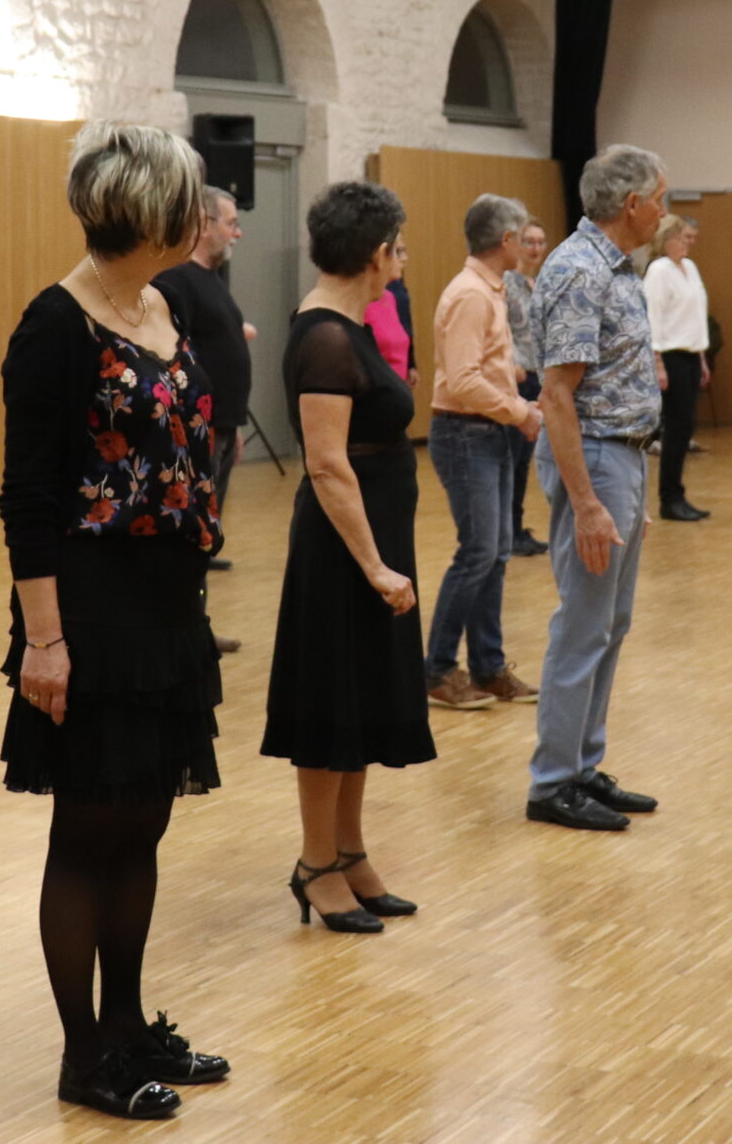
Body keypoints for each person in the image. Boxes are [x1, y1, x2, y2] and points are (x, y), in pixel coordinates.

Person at [0, 122, 229, 1121]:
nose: (201, 215)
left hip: (165, 605)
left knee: (143, 821)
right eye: (189, 201)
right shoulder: (56, 324)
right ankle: (83, 1054)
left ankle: (130, 1027)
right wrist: (44, 641)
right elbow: (29, 499)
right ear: (153, 214)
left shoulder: (160, 305)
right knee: (89, 828)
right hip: (89, 609)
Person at [262, 181, 435, 933]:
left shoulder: (356, 320)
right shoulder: (326, 333)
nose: (402, 255)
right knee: (332, 703)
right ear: (375, 252)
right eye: (397, 242)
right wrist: (373, 564)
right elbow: (328, 464)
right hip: (344, 549)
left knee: (364, 696)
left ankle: (350, 851)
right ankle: (314, 862)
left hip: (377, 536)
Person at [524, 143, 669, 833]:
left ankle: (583, 764)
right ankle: (553, 781)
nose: (666, 213)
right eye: (662, 199)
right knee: (583, 624)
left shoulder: (616, 266)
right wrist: (587, 501)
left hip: (623, 458)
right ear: (632, 203)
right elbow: (557, 396)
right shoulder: (580, 269)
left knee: (611, 622)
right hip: (596, 459)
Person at [424, 194, 544, 713]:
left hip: (488, 431)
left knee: (494, 553)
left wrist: (517, 399)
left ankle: (489, 668)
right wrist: (519, 412)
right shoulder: (472, 294)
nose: (526, 242)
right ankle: (437, 669)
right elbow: (463, 379)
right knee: (477, 553)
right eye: (521, 234)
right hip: (466, 433)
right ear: (505, 240)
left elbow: (484, 369)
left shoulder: (490, 289)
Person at [153, 186, 255, 651]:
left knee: (205, 533)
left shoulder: (214, 280)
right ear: (203, 224)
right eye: (229, 222)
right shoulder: (177, 281)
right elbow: (175, 357)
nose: (237, 231)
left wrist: (232, 427)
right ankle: (185, 628)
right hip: (198, 433)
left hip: (222, 428)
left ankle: (198, 626)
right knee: (191, 533)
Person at [643, 213, 711, 522]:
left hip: (690, 355)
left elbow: (696, 315)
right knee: (676, 425)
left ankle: (678, 493)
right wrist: (657, 363)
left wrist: (701, 357)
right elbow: (653, 319)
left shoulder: (690, 268)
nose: (688, 243)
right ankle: (669, 498)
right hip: (669, 355)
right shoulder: (658, 271)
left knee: (686, 425)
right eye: (682, 237)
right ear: (666, 238)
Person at [504, 221, 550, 557]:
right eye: (528, 241)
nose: (535, 247)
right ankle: (509, 530)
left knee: (526, 458)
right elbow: (498, 329)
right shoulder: (506, 283)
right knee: (514, 456)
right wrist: (510, 365)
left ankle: (516, 527)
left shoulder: (543, 283)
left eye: (540, 241)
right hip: (516, 376)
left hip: (539, 376)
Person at [362, 238, 414, 382]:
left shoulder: (390, 297)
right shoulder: (362, 302)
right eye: (397, 252)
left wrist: (411, 364)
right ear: (379, 256)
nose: (404, 259)